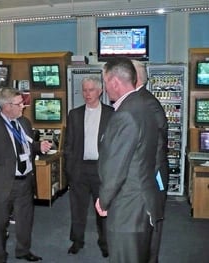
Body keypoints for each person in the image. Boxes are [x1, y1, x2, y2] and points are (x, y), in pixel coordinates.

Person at [95, 57, 163, 263]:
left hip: (128, 207)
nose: (105, 88)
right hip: (143, 201)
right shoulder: (145, 105)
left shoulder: (125, 115)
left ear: (114, 82)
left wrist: (104, 200)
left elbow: (116, 167)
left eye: (106, 82)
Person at [0, 87, 51, 263]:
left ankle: (23, 251)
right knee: (0, 224)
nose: (23, 107)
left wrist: (39, 147)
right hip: (3, 184)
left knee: (25, 221)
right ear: (7, 106)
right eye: (19, 104)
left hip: (25, 181)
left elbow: (28, 145)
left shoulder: (23, 123)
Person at [64, 76, 113, 257]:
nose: (87, 94)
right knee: (77, 208)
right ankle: (77, 241)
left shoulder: (111, 113)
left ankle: (105, 242)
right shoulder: (74, 114)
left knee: (103, 209)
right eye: (84, 90)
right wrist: (69, 169)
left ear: (100, 91)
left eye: (91, 90)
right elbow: (68, 144)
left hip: (101, 170)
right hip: (79, 169)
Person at [132, 60, 169, 263]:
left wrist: (144, 176)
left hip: (152, 174)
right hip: (149, 172)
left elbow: (157, 145)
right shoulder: (142, 99)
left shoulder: (145, 102)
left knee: (152, 220)